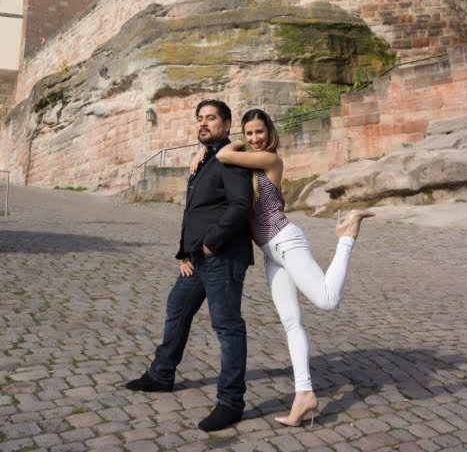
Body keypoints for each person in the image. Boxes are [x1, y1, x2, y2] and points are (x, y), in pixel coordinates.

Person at [192, 108, 374, 428]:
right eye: (248, 133)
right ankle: (304, 394)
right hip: (270, 253)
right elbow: (221, 156)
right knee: (291, 323)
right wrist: (199, 152)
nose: (254, 138)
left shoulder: (271, 161)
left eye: (259, 131)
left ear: (270, 132)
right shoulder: (246, 162)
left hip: (286, 241)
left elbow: (221, 154)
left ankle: (346, 237)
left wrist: (210, 151)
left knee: (327, 300)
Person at [126, 99, 254, 432]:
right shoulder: (205, 160)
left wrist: (212, 242)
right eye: (200, 118)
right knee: (177, 308)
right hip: (197, 258)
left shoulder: (231, 159)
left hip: (222, 257)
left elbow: (241, 204)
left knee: (227, 327)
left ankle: (230, 402)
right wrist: (186, 251)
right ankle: (161, 373)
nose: (203, 123)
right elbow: (195, 212)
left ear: (227, 125)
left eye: (211, 118)